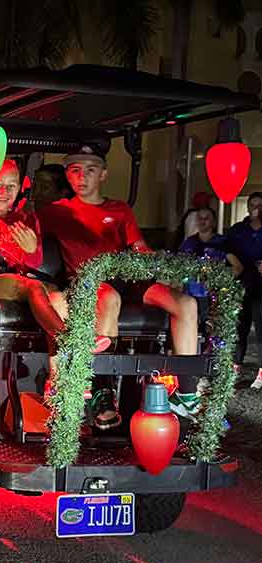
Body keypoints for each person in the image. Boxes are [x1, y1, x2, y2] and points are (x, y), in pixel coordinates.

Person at [39, 144, 201, 427]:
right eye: (75, 171)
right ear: (68, 175)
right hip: (89, 282)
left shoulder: (120, 210)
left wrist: (160, 264)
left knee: (187, 303)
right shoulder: (55, 212)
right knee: (109, 297)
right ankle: (103, 390)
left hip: (129, 278)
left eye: (90, 170)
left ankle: (185, 394)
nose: (82, 177)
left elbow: (138, 247)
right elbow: (25, 236)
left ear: (103, 174)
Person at [0, 160, 109, 357]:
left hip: (23, 278)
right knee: (34, 286)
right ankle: (69, 339)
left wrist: (32, 249)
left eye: (11, 186)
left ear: (19, 188)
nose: (4, 191)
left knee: (59, 298)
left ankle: (59, 378)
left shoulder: (26, 219)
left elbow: (33, 264)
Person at [227, 192, 262, 390]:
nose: (256, 209)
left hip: (261, 286)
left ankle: (261, 373)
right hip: (240, 284)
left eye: (260, 205)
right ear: (248, 207)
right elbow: (226, 251)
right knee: (239, 328)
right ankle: (235, 368)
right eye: (253, 205)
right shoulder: (237, 231)